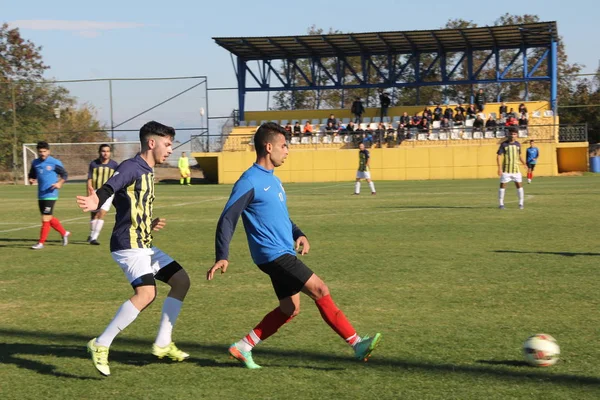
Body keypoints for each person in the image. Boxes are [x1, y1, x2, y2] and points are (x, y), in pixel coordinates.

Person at [206, 123, 381, 369]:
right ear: (269, 147)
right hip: (273, 254)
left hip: (282, 251)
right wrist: (222, 255)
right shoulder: (249, 181)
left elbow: (280, 216)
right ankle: (356, 343)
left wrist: (299, 233)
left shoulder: (273, 181)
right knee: (320, 289)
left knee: (290, 308)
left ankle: (243, 346)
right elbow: (228, 217)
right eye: (283, 145)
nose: (287, 150)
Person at [76, 121, 191, 376]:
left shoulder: (148, 171)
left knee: (181, 281)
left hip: (143, 243)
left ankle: (162, 342)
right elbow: (111, 187)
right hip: (128, 245)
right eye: (167, 144)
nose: (171, 149)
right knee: (146, 294)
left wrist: (149, 223)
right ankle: (101, 343)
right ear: (152, 143)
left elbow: (127, 207)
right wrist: (96, 197)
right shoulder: (132, 167)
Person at [28, 141, 70, 250]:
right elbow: (32, 174)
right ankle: (64, 233)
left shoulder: (54, 162)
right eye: (40, 151)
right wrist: (31, 179)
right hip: (41, 194)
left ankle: (41, 243)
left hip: (51, 193)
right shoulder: (35, 163)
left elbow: (65, 174)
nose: (42, 153)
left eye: (44, 151)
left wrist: (59, 183)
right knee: (48, 218)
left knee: (45, 218)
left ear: (49, 151)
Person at [87, 144, 119, 245]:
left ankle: (94, 238)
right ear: (99, 152)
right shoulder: (94, 164)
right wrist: (89, 190)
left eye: (107, 151)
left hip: (108, 192)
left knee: (102, 213)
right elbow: (89, 178)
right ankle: (92, 234)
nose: (105, 153)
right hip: (95, 191)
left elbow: (118, 178)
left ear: (110, 152)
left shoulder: (114, 165)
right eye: (103, 151)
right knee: (94, 215)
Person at [497, 127, 527, 209]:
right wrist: (499, 168)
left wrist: (524, 163)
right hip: (506, 170)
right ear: (508, 134)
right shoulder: (504, 144)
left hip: (516, 170)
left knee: (519, 186)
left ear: (517, 135)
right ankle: (501, 204)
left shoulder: (518, 144)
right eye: (511, 134)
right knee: (502, 186)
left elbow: (519, 155)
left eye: (514, 134)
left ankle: (521, 203)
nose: (512, 135)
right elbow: (499, 156)